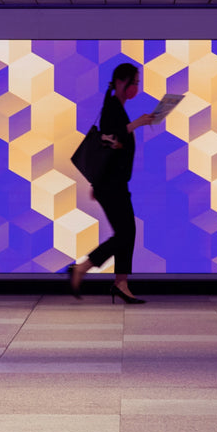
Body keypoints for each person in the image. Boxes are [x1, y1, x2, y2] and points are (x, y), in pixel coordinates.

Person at [67, 62, 155, 304]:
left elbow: (114, 146)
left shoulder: (118, 108)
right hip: (111, 184)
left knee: (127, 232)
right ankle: (84, 268)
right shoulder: (111, 107)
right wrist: (138, 123)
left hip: (113, 182)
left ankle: (120, 282)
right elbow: (111, 138)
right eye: (134, 82)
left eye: (137, 82)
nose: (136, 86)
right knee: (126, 232)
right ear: (120, 82)